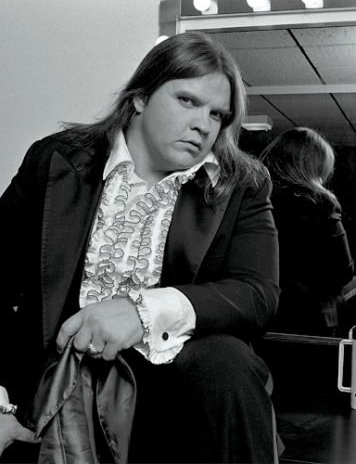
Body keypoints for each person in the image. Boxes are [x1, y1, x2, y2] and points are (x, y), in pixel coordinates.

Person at [0, 32, 281, 463]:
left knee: (228, 362)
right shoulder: (55, 159)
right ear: (140, 98)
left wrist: (142, 311)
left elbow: (257, 293)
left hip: (175, 400)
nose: (204, 125)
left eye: (218, 114)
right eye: (187, 101)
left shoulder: (241, 185)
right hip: (51, 390)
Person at [260, 126, 356, 337]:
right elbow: (344, 272)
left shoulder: (257, 200)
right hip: (314, 319)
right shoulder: (323, 204)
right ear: (314, 168)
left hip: (268, 316)